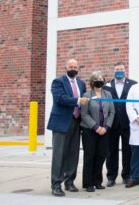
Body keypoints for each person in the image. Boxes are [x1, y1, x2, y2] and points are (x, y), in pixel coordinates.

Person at [48, 59, 88, 197]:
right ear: (66, 68)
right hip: (61, 122)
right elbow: (60, 98)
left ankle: (69, 181)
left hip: (77, 122)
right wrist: (77, 101)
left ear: (78, 69)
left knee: (73, 154)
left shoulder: (82, 84)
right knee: (59, 155)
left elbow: (85, 100)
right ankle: (56, 184)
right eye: (70, 67)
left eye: (75, 67)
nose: (73, 69)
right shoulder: (58, 82)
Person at [80, 71, 115, 192]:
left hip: (104, 130)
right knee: (90, 156)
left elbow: (112, 112)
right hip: (90, 130)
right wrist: (96, 127)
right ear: (92, 81)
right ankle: (88, 183)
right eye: (96, 78)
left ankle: (97, 181)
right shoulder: (86, 95)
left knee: (101, 156)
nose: (99, 80)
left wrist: (106, 127)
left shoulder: (108, 94)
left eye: (101, 78)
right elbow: (84, 114)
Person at [104, 62, 136, 187]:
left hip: (127, 123)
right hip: (111, 124)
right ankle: (111, 176)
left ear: (125, 70)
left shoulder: (133, 84)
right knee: (111, 151)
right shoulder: (107, 85)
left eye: (121, 69)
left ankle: (126, 175)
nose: (119, 71)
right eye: (117, 69)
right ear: (113, 70)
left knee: (128, 151)